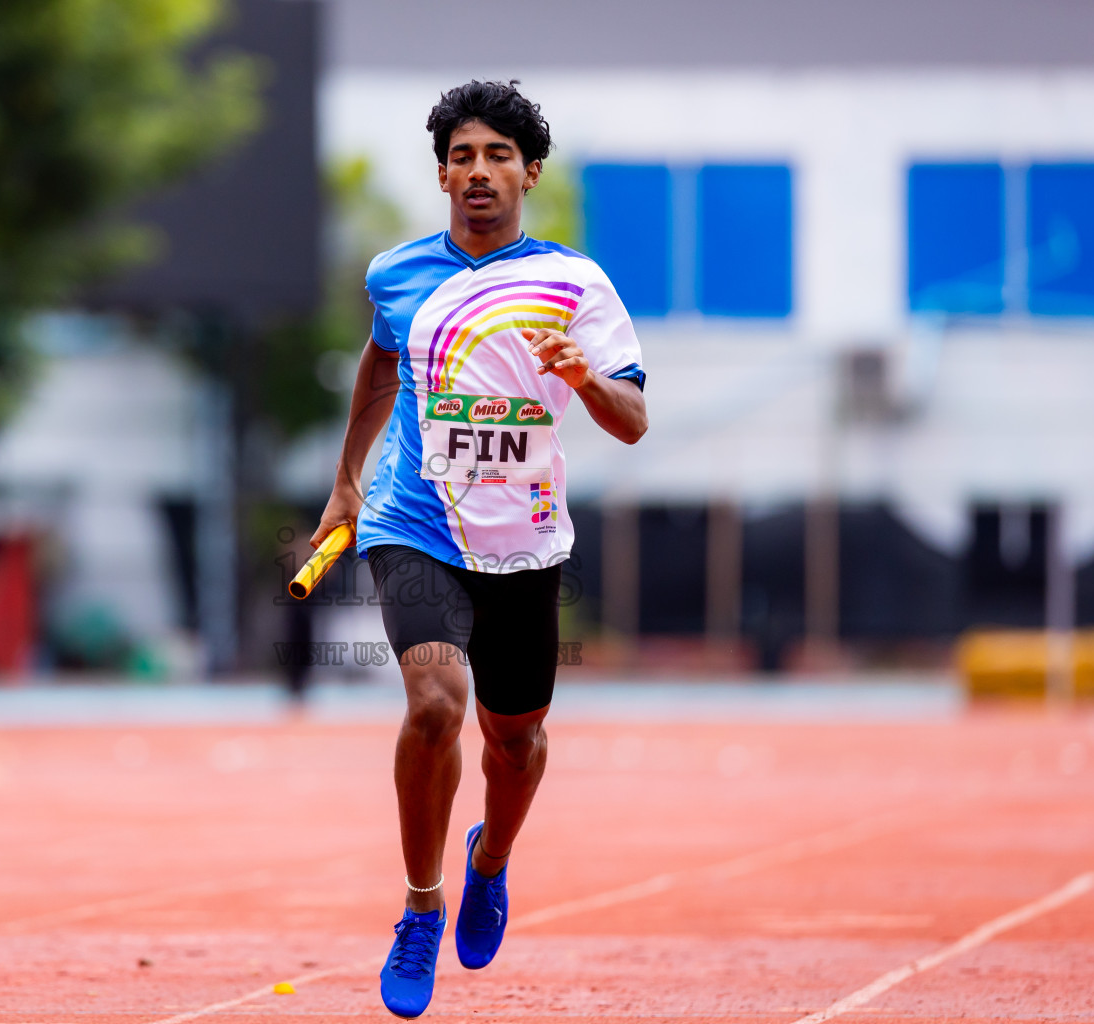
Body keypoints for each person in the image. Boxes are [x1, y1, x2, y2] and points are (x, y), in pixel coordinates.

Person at [308, 79, 647, 1019]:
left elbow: (633, 421)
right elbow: (382, 359)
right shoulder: (398, 274)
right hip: (412, 520)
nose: (478, 173)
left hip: (524, 544)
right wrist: (348, 478)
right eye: (461, 157)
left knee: (518, 740)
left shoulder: (575, 286)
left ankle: (489, 859)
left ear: (529, 172)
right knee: (434, 704)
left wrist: (584, 377)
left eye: (498, 155)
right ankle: (421, 906)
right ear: (444, 175)